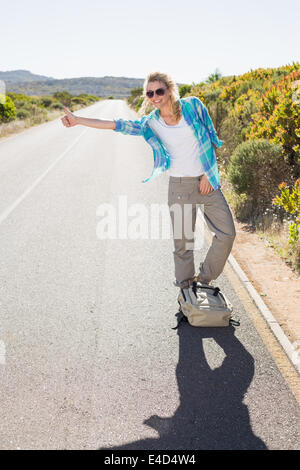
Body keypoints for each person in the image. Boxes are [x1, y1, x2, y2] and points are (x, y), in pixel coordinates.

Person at [61, 71, 236, 291]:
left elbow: (211, 138)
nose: (155, 96)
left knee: (227, 234)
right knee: (183, 245)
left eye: (159, 91)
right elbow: (117, 125)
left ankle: (203, 279)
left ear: (170, 90)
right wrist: (78, 120)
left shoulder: (194, 106)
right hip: (179, 188)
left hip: (207, 183)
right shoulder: (151, 123)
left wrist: (207, 175)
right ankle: (185, 291)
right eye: (150, 93)